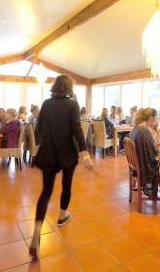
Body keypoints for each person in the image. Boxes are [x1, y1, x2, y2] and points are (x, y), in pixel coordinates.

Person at [29, 75, 93, 258]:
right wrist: (85, 154)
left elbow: (39, 130)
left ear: (55, 86)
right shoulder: (72, 105)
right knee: (67, 185)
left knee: (46, 191)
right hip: (67, 154)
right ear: (69, 88)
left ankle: (37, 229)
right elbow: (77, 130)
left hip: (48, 153)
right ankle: (61, 216)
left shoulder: (47, 103)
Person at [129, 108, 160, 198]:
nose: (157, 119)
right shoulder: (145, 131)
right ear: (151, 118)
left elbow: (146, 147)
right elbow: (154, 154)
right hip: (148, 169)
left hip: (137, 167)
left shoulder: (136, 129)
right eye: (156, 117)